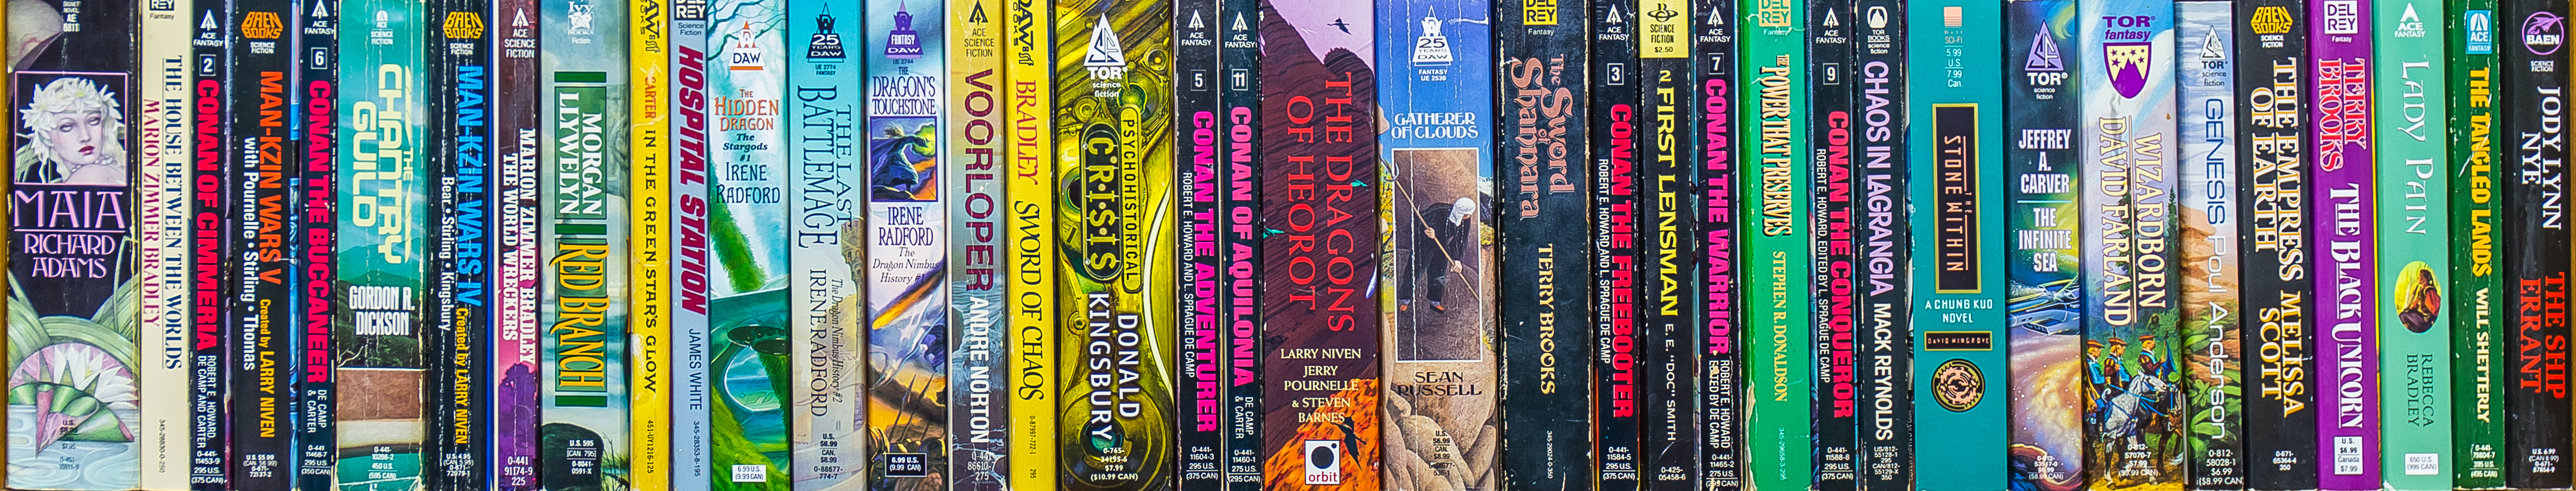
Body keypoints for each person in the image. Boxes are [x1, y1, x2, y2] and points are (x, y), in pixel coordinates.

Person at [16, 76, 124, 185]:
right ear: (47, 137)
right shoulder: (113, 168)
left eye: (93, 121)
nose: (85, 137)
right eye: (68, 127)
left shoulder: (88, 175)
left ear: (103, 125)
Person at [1400, 197, 1476, 312]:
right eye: (1467, 215)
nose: (1469, 217)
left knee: (1439, 273)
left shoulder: (1466, 220)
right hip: (1424, 244)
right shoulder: (1438, 211)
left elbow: (1461, 240)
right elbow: (1418, 223)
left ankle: (1435, 302)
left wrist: (1457, 259)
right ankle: (1404, 299)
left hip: (1442, 245)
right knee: (1415, 269)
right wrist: (1426, 231)